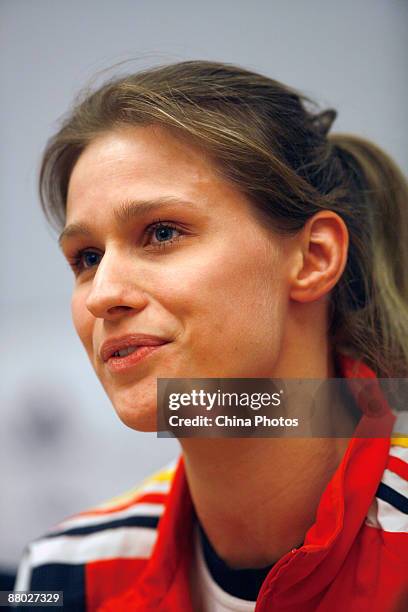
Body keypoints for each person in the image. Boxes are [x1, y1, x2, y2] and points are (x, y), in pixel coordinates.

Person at [15, 61, 408, 611]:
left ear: (314, 258)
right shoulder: (62, 576)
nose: (102, 295)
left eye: (162, 232)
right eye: (87, 257)